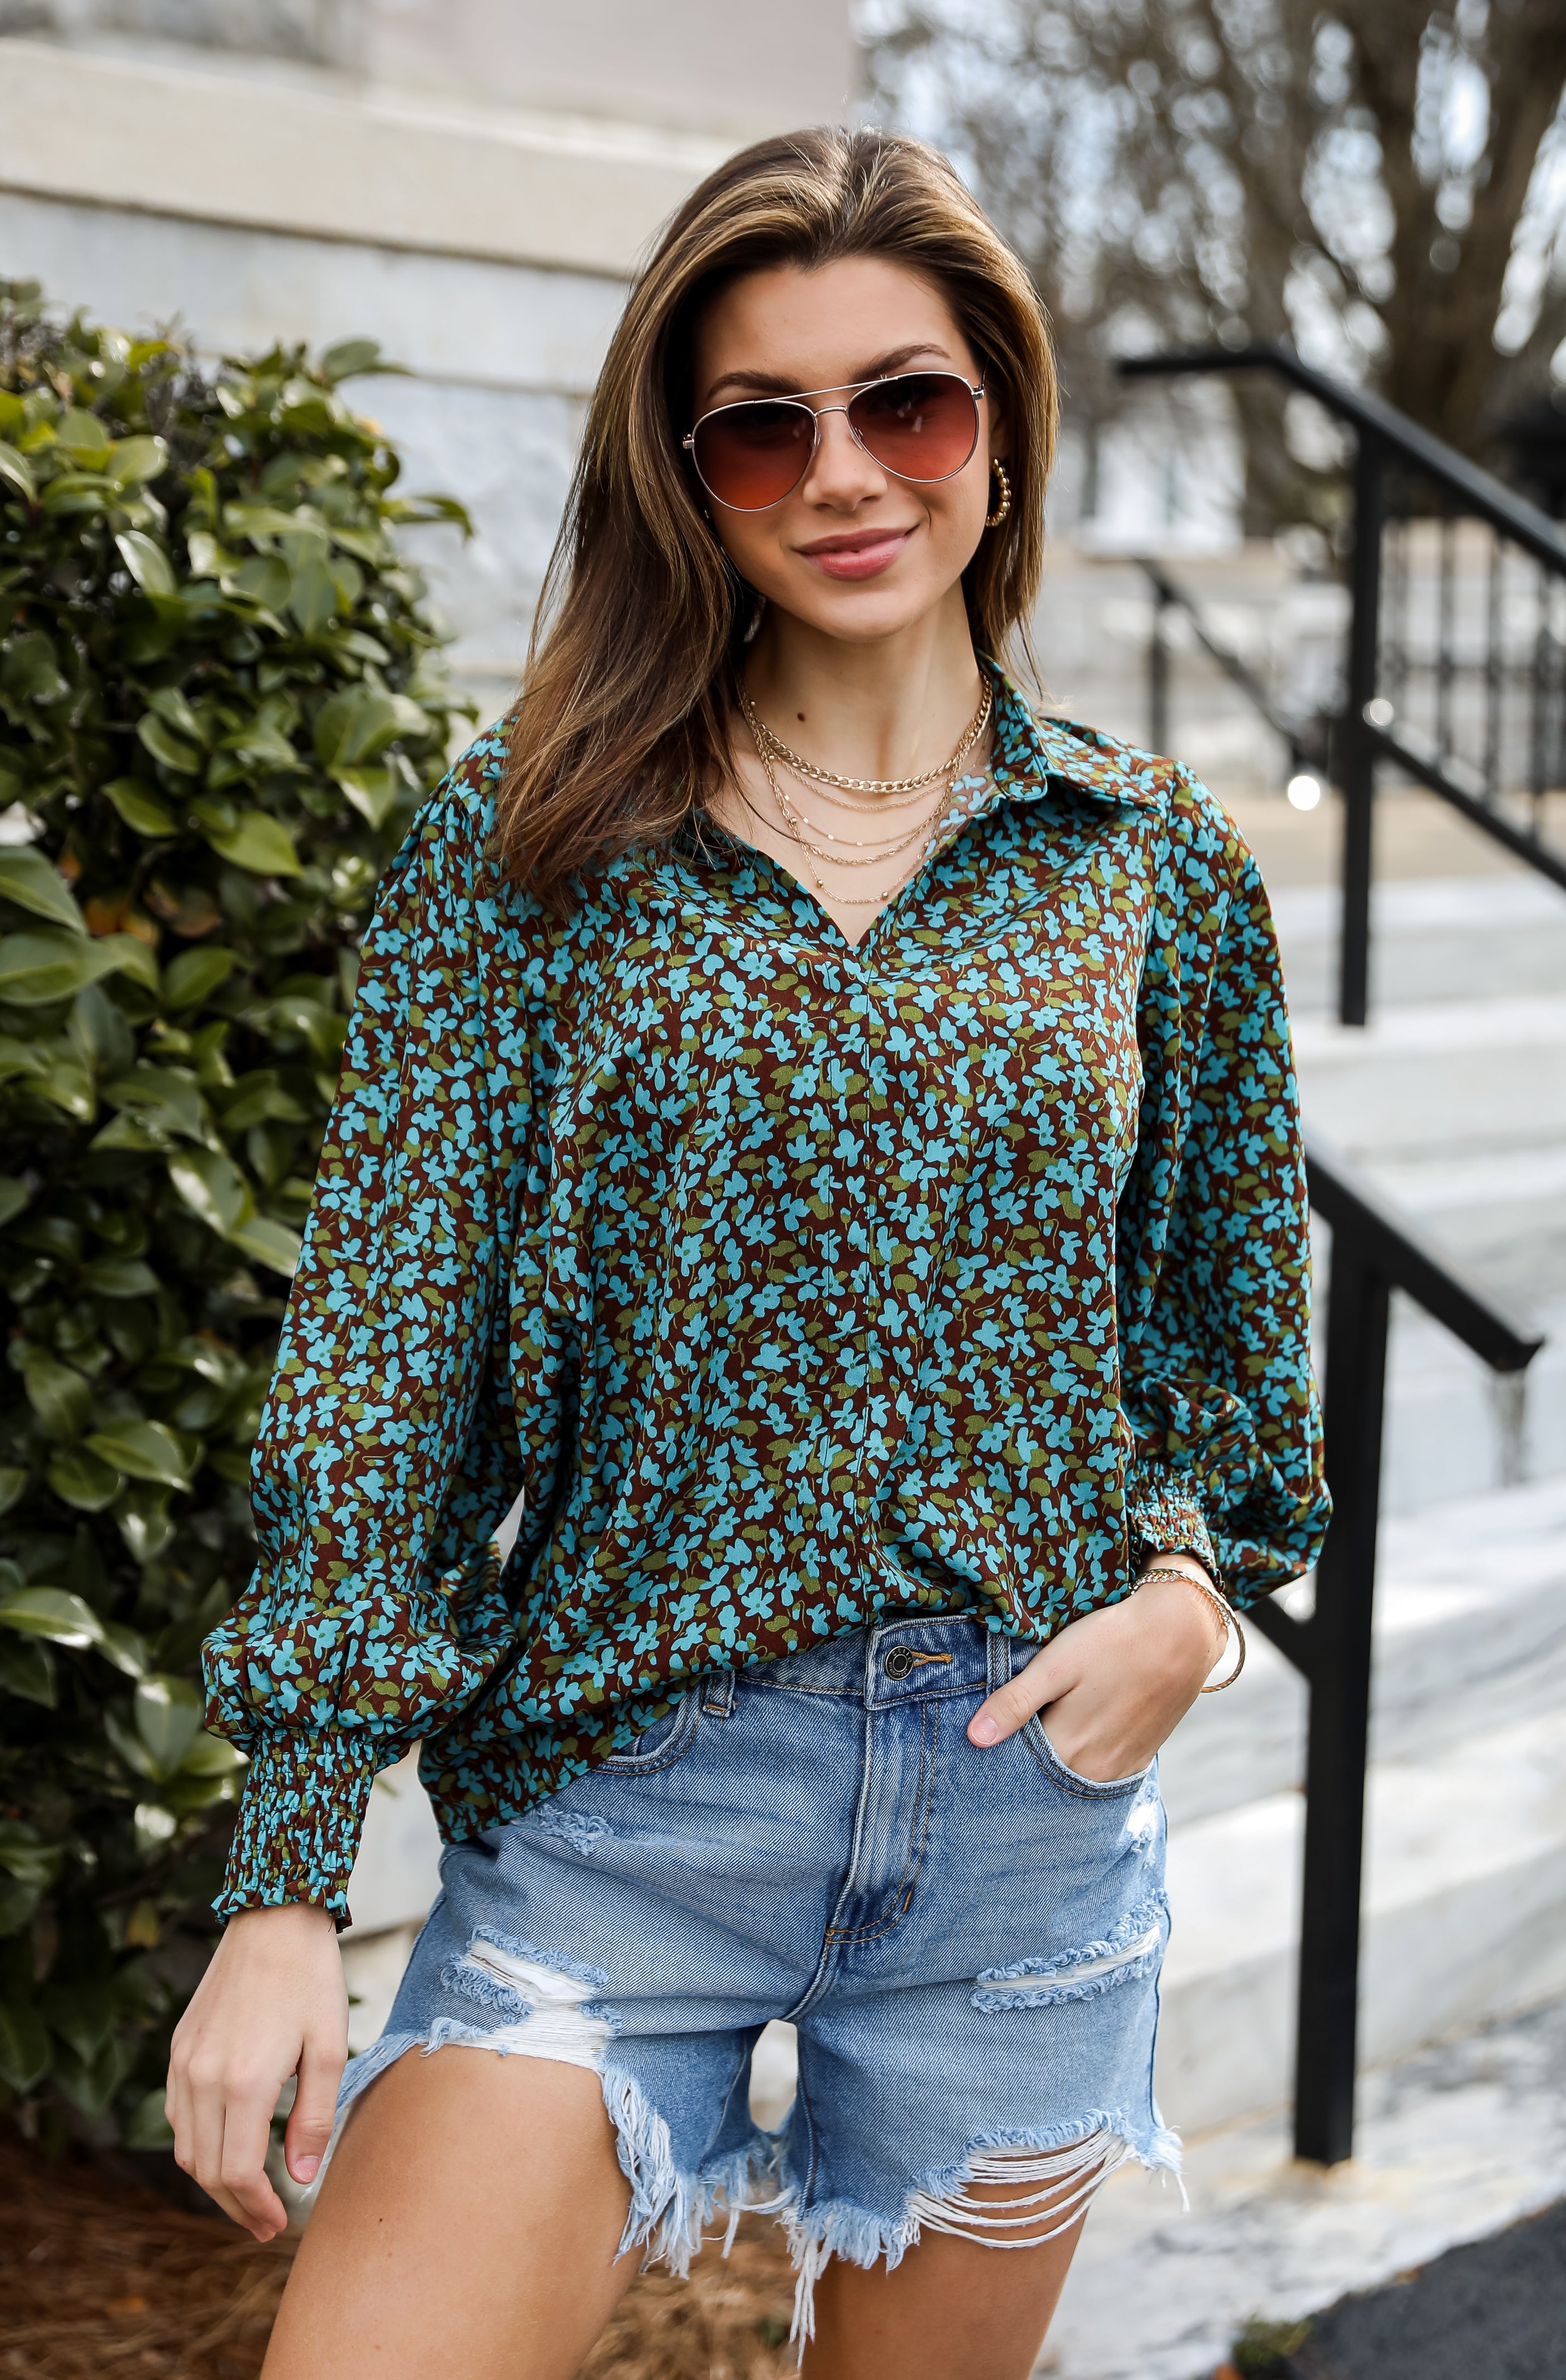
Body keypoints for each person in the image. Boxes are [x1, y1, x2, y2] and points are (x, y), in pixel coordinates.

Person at [167, 126, 1327, 2380]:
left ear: (996, 425)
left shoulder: (1148, 862)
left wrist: (1187, 1604)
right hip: (626, 1807)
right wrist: (287, 1878)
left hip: (1022, 1819)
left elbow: (1223, 1350)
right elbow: (385, 1361)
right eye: (759, 424)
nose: (843, 474)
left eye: (907, 400)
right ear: (685, 473)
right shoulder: (525, 852)